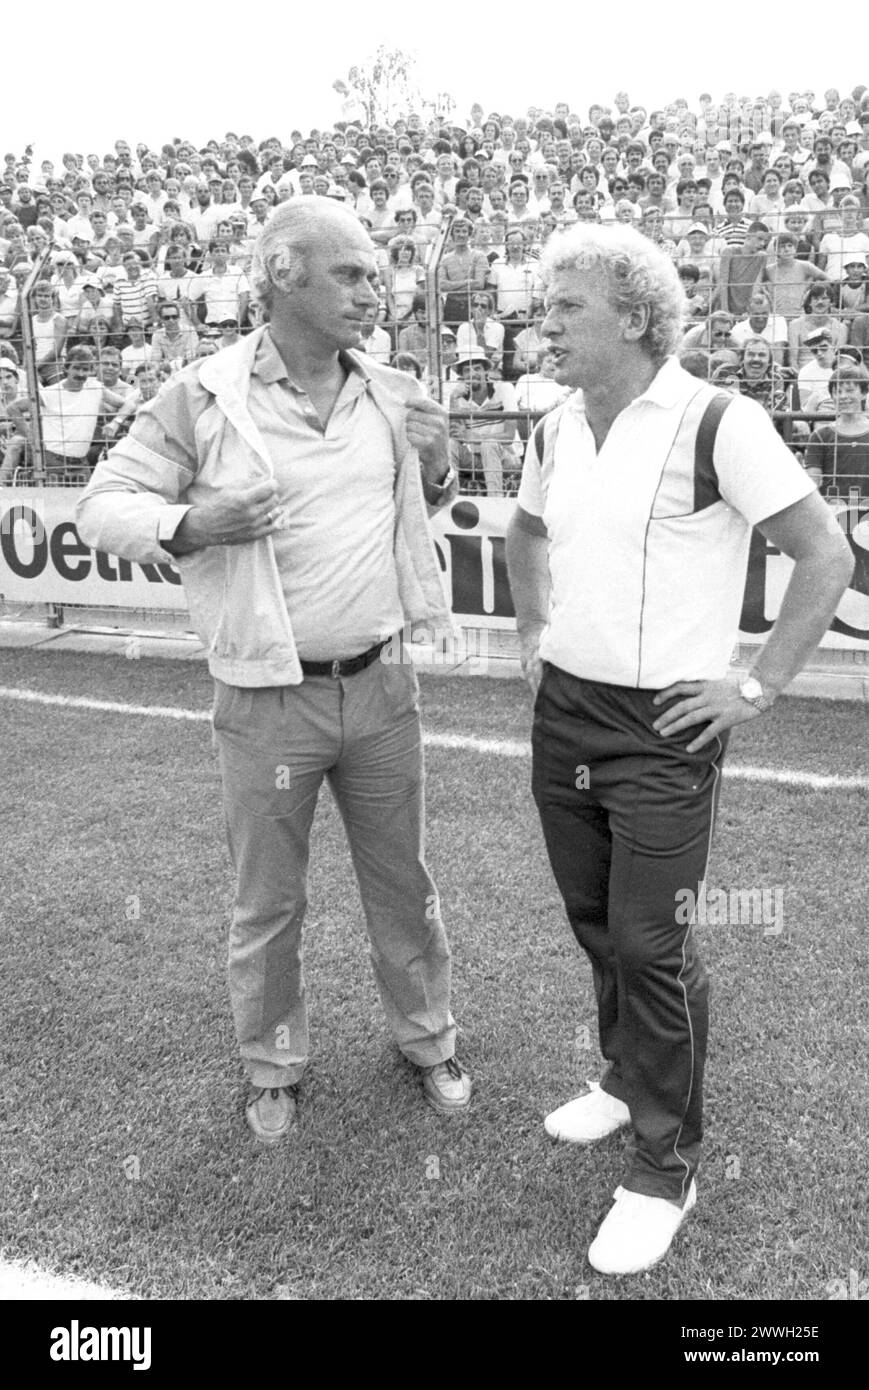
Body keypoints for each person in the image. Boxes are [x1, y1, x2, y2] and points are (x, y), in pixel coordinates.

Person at [77, 197, 472, 1144]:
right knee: (268, 899)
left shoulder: (390, 387)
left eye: (378, 275)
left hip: (381, 686)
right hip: (265, 697)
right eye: (352, 274)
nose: (373, 293)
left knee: (402, 882)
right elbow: (102, 508)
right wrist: (190, 523)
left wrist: (445, 461)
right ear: (284, 272)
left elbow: (429, 505)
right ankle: (272, 1064)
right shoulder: (201, 393)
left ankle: (429, 1041)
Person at [505, 222, 853, 1277]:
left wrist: (754, 685)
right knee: (593, 922)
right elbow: (522, 535)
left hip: (662, 728)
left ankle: (664, 1167)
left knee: (650, 941)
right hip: (564, 710)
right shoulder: (555, 423)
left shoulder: (719, 418)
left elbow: (821, 552)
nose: (544, 321)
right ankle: (623, 1082)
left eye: (566, 306)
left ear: (634, 315)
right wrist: (531, 636)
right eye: (543, 303)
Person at [804, 360, 869, 496]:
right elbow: (812, 484)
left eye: (850, 390)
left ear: (863, 393)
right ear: (832, 396)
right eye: (838, 392)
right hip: (834, 511)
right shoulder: (820, 436)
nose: (844, 396)